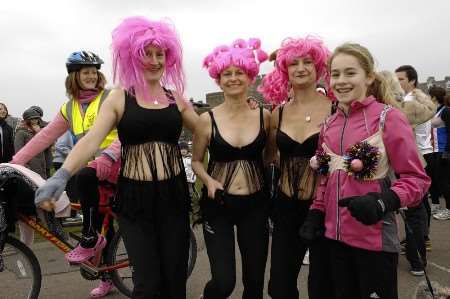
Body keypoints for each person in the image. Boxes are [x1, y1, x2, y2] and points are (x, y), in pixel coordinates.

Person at [35, 16, 198, 299]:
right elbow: (90, 141)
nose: (155, 60)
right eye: (147, 54)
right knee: (146, 284)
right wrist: (62, 175)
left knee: (175, 281)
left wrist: (204, 161)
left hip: (173, 197)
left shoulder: (176, 98)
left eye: (160, 54)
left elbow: (206, 131)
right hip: (135, 200)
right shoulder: (120, 98)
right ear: (133, 57)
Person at [300, 43, 430, 298]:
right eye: (335, 74)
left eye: (350, 73)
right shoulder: (328, 124)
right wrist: (316, 212)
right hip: (331, 241)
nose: (341, 81)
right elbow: (325, 176)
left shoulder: (388, 118)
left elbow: (417, 180)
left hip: (374, 243)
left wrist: (384, 201)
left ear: (369, 77)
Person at [11, 50, 119, 297]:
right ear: (74, 76)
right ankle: (107, 277)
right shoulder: (69, 108)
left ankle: (90, 239)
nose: (91, 76)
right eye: (86, 72)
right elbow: (44, 138)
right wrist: (15, 161)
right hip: (92, 171)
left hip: (116, 163)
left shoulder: (110, 97)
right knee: (106, 225)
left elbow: (126, 132)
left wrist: (109, 155)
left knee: (88, 186)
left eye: (94, 72)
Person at [192, 38, 270, 299]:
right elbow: (195, 161)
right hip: (219, 205)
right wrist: (208, 180)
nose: (234, 78)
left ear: (250, 77)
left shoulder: (264, 116)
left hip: (256, 205)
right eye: (227, 74)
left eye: (240, 73)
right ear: (218, 79)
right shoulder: (206, 120)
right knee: (224, 283)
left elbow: (271, 156)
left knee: (255, 281)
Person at [258, 36, 334, 299]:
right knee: (279, 286)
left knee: (322, 286)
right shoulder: (277, 113)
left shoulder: (336, 109)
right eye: (294, 63)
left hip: (325, 208)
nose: (301, 68)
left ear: (319, 67)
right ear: (284, 70)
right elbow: (269, 155)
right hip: (285, 206)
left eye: (308, 62)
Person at [395, 65, 432, 273]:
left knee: (414, 211)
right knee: (417, 210)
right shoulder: (419, 101)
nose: (397, 82)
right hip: (416, 159)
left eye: (401, 79)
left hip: (409, 160)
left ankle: (416, 255)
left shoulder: (408, 104)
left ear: (412, 81)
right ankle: (416, 250)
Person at [430, 86, 450, 220]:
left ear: (434, 97)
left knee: (445, 182)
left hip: (444, 150)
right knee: (439, 180)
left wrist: (447, 152)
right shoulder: (438, 110)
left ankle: (448, 210)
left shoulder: (446, 111)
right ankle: (441, 207)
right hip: (436, 149)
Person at [14, 107, 50, 178]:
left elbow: (46, 147)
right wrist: (26, 167)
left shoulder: (38, 130)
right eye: (32, 119)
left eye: (36, 118)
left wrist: (39, 133)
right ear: (27, 120)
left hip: (41, 166)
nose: (35, 121)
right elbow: (18, 151)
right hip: (29, 168)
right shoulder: (21, 132)